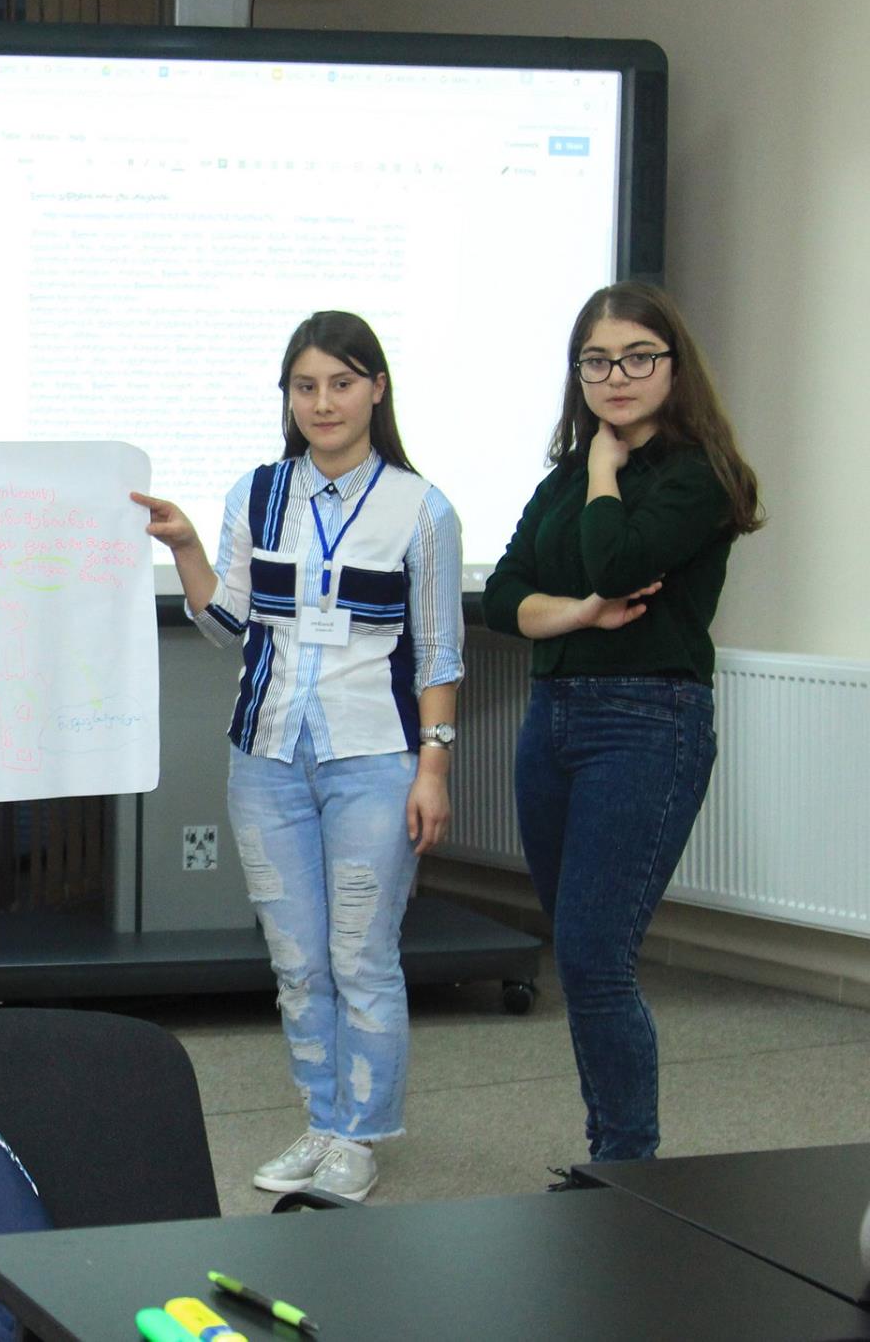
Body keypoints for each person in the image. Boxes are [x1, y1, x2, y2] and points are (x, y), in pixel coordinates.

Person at [135, 311, 463, 1202]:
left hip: (375, 760)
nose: (323, 403)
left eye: (341, 384)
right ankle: (321, 1121)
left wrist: (434, 768)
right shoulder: (257, 493)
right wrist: (188, 547)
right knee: (297, 962)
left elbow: (439, 655)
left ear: (376, 390)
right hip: (266, 758)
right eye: (305, 386)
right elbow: (229, 625)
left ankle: (361, 1134)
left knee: (362, 956)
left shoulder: (421, 509)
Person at [484, 281, 761, 1163]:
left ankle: (627, 1164)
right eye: (597, 361)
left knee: (597, 958)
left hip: (649, 721)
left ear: (674, 366)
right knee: (578, 954)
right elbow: (503, 595)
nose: (617, 376)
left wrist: (604, 472)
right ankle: (610, 1151)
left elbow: (618, 562)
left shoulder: (697, 475)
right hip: (553, 720)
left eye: (638, 357)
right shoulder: (563, 480)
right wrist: (576, 615)